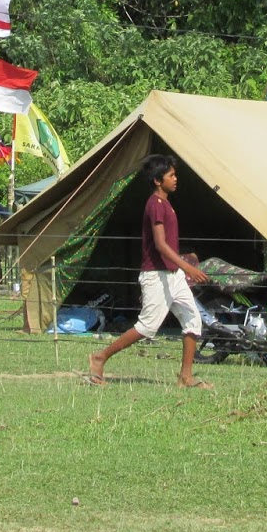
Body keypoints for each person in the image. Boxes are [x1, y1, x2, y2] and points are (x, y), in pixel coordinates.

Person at [88, 154, 212, 389]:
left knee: (193, 320)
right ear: (157, 180)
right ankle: (100, 357)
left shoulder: (165, 204)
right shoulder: (155, 205)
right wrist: (188, 267)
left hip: (173, 275)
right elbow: (160, 245)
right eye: (171, 175)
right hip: (157, 275)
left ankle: (185, 377)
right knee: (148, 326)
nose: (175, 179)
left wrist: (183, 262)